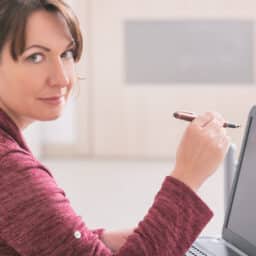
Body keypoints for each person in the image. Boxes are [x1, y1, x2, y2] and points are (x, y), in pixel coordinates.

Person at [0, 1, 230, 255]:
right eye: (35, 57)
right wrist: (188, 177)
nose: (63, 79)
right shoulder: (10, 168)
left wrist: (98, 242)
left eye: (66, 54)